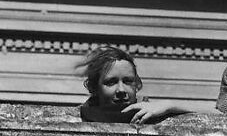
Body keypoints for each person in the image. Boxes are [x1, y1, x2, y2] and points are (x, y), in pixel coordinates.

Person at [78, 45, 218, 124]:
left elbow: (221, 115)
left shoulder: (151, 113)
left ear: (136, 85)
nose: (121, 90)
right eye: (111, 82)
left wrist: (169, 105)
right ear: (94, 88)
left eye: (128, 81)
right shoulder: (80, 116)